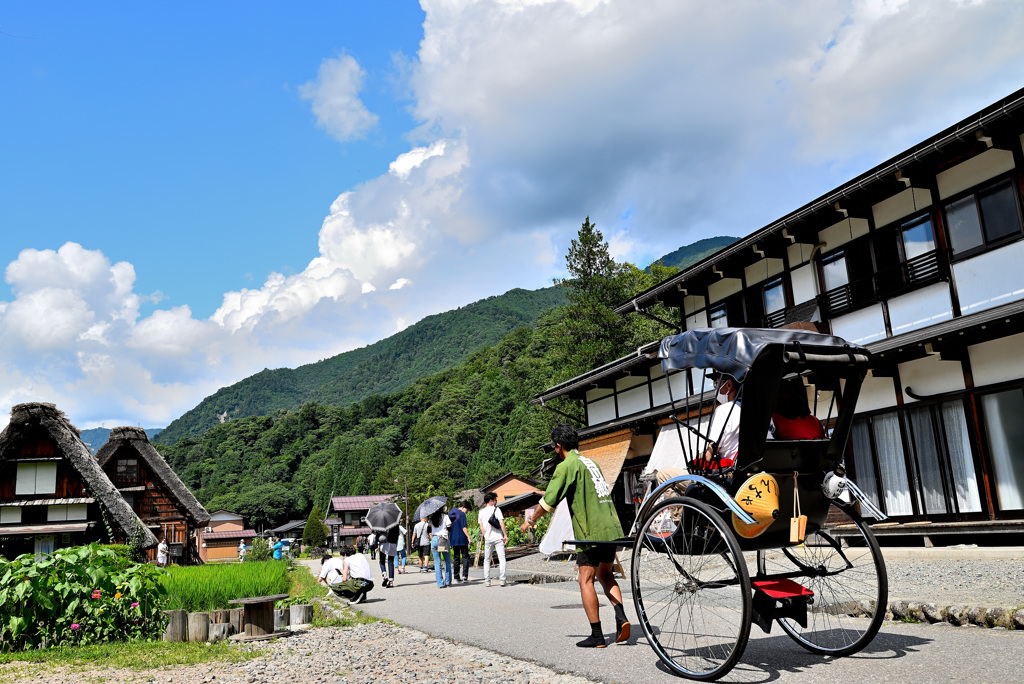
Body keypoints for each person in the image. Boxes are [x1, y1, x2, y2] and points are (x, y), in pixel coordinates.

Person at [522, 424, 629, 648]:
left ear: (558, 446)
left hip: (590, 532)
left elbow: (547, 502)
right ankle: (622, 619)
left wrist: (530, 520)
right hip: (611, 528)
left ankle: (597, 636)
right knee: (606, 575)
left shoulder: (567, 465)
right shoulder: (592, 462)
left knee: (585, 579)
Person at [654, 373, 743, 486]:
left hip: (725, 478)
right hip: (751, 474)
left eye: (717, 384)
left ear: (729, 384)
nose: (716, 389)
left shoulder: (724, 410)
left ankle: (682, 504)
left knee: (663, 475)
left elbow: (708, 457)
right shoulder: (762, 415)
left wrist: (703, 454)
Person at [478, 493, 507, 587]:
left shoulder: (481, 512)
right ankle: (502, 580)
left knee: (487, 560)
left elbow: (481, 527)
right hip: (498, 537)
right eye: (495, 500)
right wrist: (505, 535)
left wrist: (486, 535)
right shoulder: (496, 509)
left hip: (488, 539)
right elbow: (501, 522)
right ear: (491, 501)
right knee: (502, 558)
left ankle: (487, 580)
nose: (496, 502)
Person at [448, 500, 471, 583]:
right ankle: (465, 576)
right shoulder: (462, 514)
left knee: (456, 558)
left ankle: (456, 576)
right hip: (462, 539)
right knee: (465, 557)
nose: (467, 512)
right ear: (463, 507)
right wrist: (469, 537)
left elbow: (448, 527)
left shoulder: (451, 514)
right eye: (467, 510)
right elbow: (464, 527)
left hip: (453, 539)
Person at [429, 508, 452, 589]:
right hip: (442, 540)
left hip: (434, 539)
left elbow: (428, 530)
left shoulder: (431, 518)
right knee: (447, 561)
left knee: (437, 562)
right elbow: (449, 528)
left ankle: (440, 583)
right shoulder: (445, 516)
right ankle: (448, 582)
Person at [378, 524, 399, 588]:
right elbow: (397, 534)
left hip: (383, 542)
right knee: (390, 561)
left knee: (382, 561)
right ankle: (391, 582)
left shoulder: (381, 521)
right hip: (392, 542)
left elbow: (377, 532)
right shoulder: (395, 522)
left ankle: (385, 575)